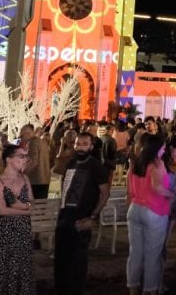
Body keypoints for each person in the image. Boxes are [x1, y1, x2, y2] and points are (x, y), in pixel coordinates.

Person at [54, 133, 110, 295]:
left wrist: (93, 217)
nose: (80, 147)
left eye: (85, 144)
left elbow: (105, 193)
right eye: (78, 144)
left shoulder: (96, 166)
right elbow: (58, 178)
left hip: (82, 218)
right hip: (64, 217)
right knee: (61, 262)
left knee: (77, 264)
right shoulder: (71, 163)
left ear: (91, 147)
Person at [0, 144, 36, 295]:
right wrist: (24, 209)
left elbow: (32, 201)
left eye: (26, 156)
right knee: (4, 263)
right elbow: (2, 210)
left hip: (23, 229)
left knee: (21, 264)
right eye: (21, 156)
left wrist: (23, 206)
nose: (25, 160)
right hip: (5, 230)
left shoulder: (25, 178)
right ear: (9, 159)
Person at [126, 134, 174, 295]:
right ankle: (150, 289)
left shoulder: (136, 163)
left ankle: (133, 288)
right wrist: (171, 194)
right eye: (163, 148)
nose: (164, 150)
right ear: (156, 148)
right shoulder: (157, 163)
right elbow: (157, 187)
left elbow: (129, 189)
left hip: (135, 209)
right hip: (154, 210)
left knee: (135, 252)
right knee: (153, 254)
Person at [21, 124, 50, 199]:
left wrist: (23, 175)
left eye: (22, 136)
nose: (21, 139)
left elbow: (34, 163)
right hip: (45, 179)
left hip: (35, 180)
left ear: (28, 134)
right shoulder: (43, 142)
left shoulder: (32, 143)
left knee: (34, 204)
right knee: (41, 204)